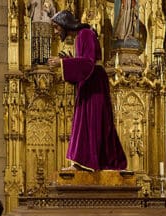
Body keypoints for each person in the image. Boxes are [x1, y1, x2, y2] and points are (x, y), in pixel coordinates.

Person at [48, 10, 127, 172]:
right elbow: (85, 62)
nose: (56, 32)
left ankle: (85, 162)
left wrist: (63, 63)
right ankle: (85, 161)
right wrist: (69, 61)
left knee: (90, 121)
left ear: (64, 24)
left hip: (94, 83)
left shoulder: (85, 34)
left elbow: (88, 63)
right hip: (91, 82)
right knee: (88, 120)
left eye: (56, 28)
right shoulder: (82, 36)